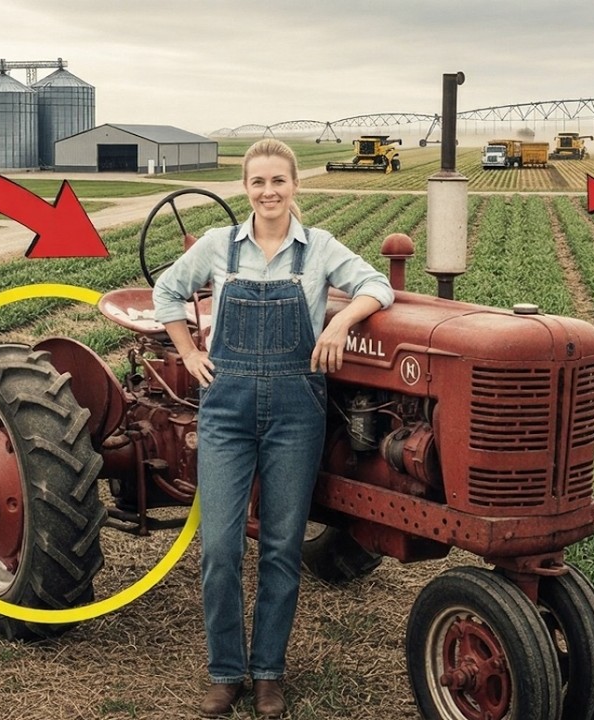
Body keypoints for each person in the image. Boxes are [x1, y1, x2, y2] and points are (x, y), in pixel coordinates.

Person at [152, 139, 394, 718]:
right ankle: (225, 672)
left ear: (294, 185)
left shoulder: (320, 248)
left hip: (294, 411)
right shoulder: (219, 245)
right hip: (227, 409)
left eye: (278, 181)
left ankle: (268, 674)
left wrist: (339, 324)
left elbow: (377, 286)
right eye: (258, 182)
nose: (268, 192)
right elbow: (167, 291)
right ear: (246, 188)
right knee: (220, 546)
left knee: (282, 547)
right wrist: (188, 352)